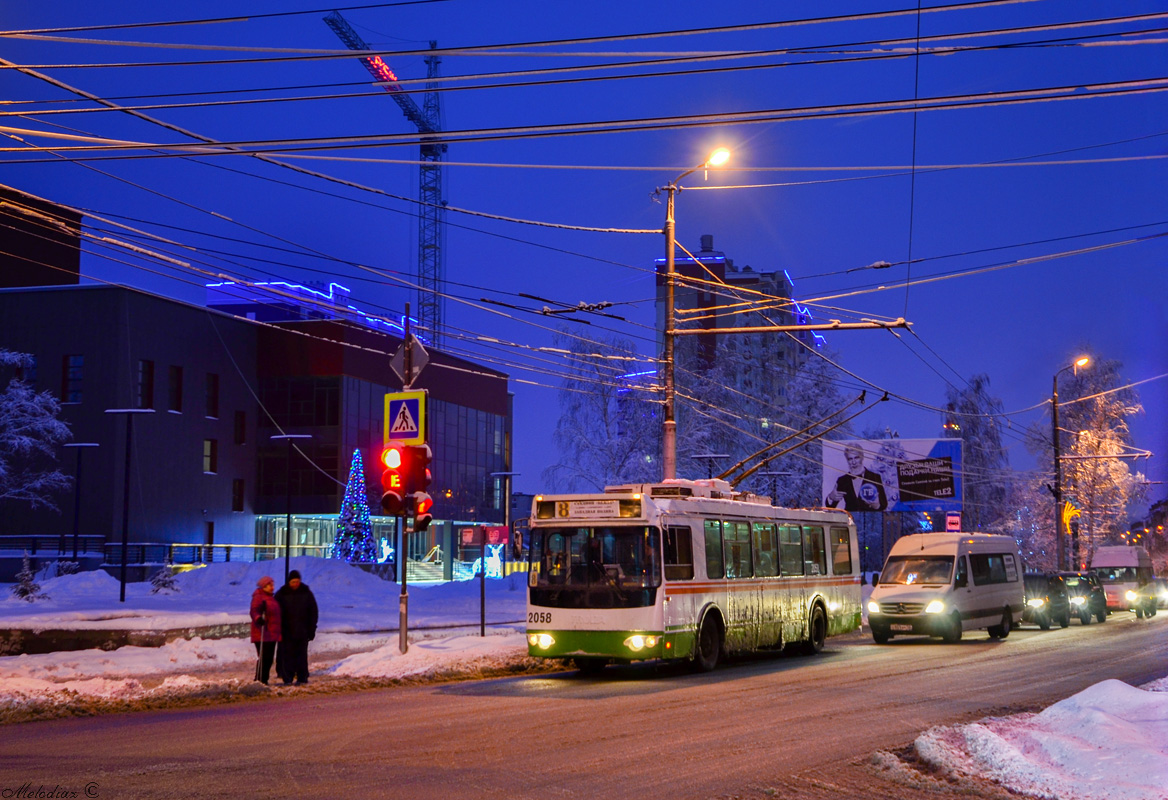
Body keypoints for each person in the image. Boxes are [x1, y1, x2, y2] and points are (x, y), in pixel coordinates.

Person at [275, 569, 318, 686]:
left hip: (302, 631)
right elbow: (275, 611)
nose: (296, 584)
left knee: (301, 656)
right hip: (287, 631)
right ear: (289, 582)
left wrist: (312, 629)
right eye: (293, 582)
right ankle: (287, 677)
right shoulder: (282, 593)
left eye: (297, 581)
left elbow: (313, 611)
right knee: (287, 655)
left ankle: (302, 676)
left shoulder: (306, 593)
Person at [825, 445, 888, 512]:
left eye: (856, 458)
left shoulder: (875, 477)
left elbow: (884, 505)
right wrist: (830, 497)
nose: (854, 462)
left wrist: (876, 505)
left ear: (862, 457)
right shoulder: (842, 480)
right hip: (849, 520)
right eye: (850, 459)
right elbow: (830, 507)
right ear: (847, 460)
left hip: (869, 520)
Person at [250, 575, 281, 684]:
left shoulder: (270, 597)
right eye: (269, 585)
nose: (272, 587)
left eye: (272, 585)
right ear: (263, 586)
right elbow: (254, 610)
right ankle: (260, 680)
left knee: (268, 659)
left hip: (271, 633)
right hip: (262, 633)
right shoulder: (259, 597)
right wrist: (258, 618)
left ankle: (264, 679)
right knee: (264, 658)